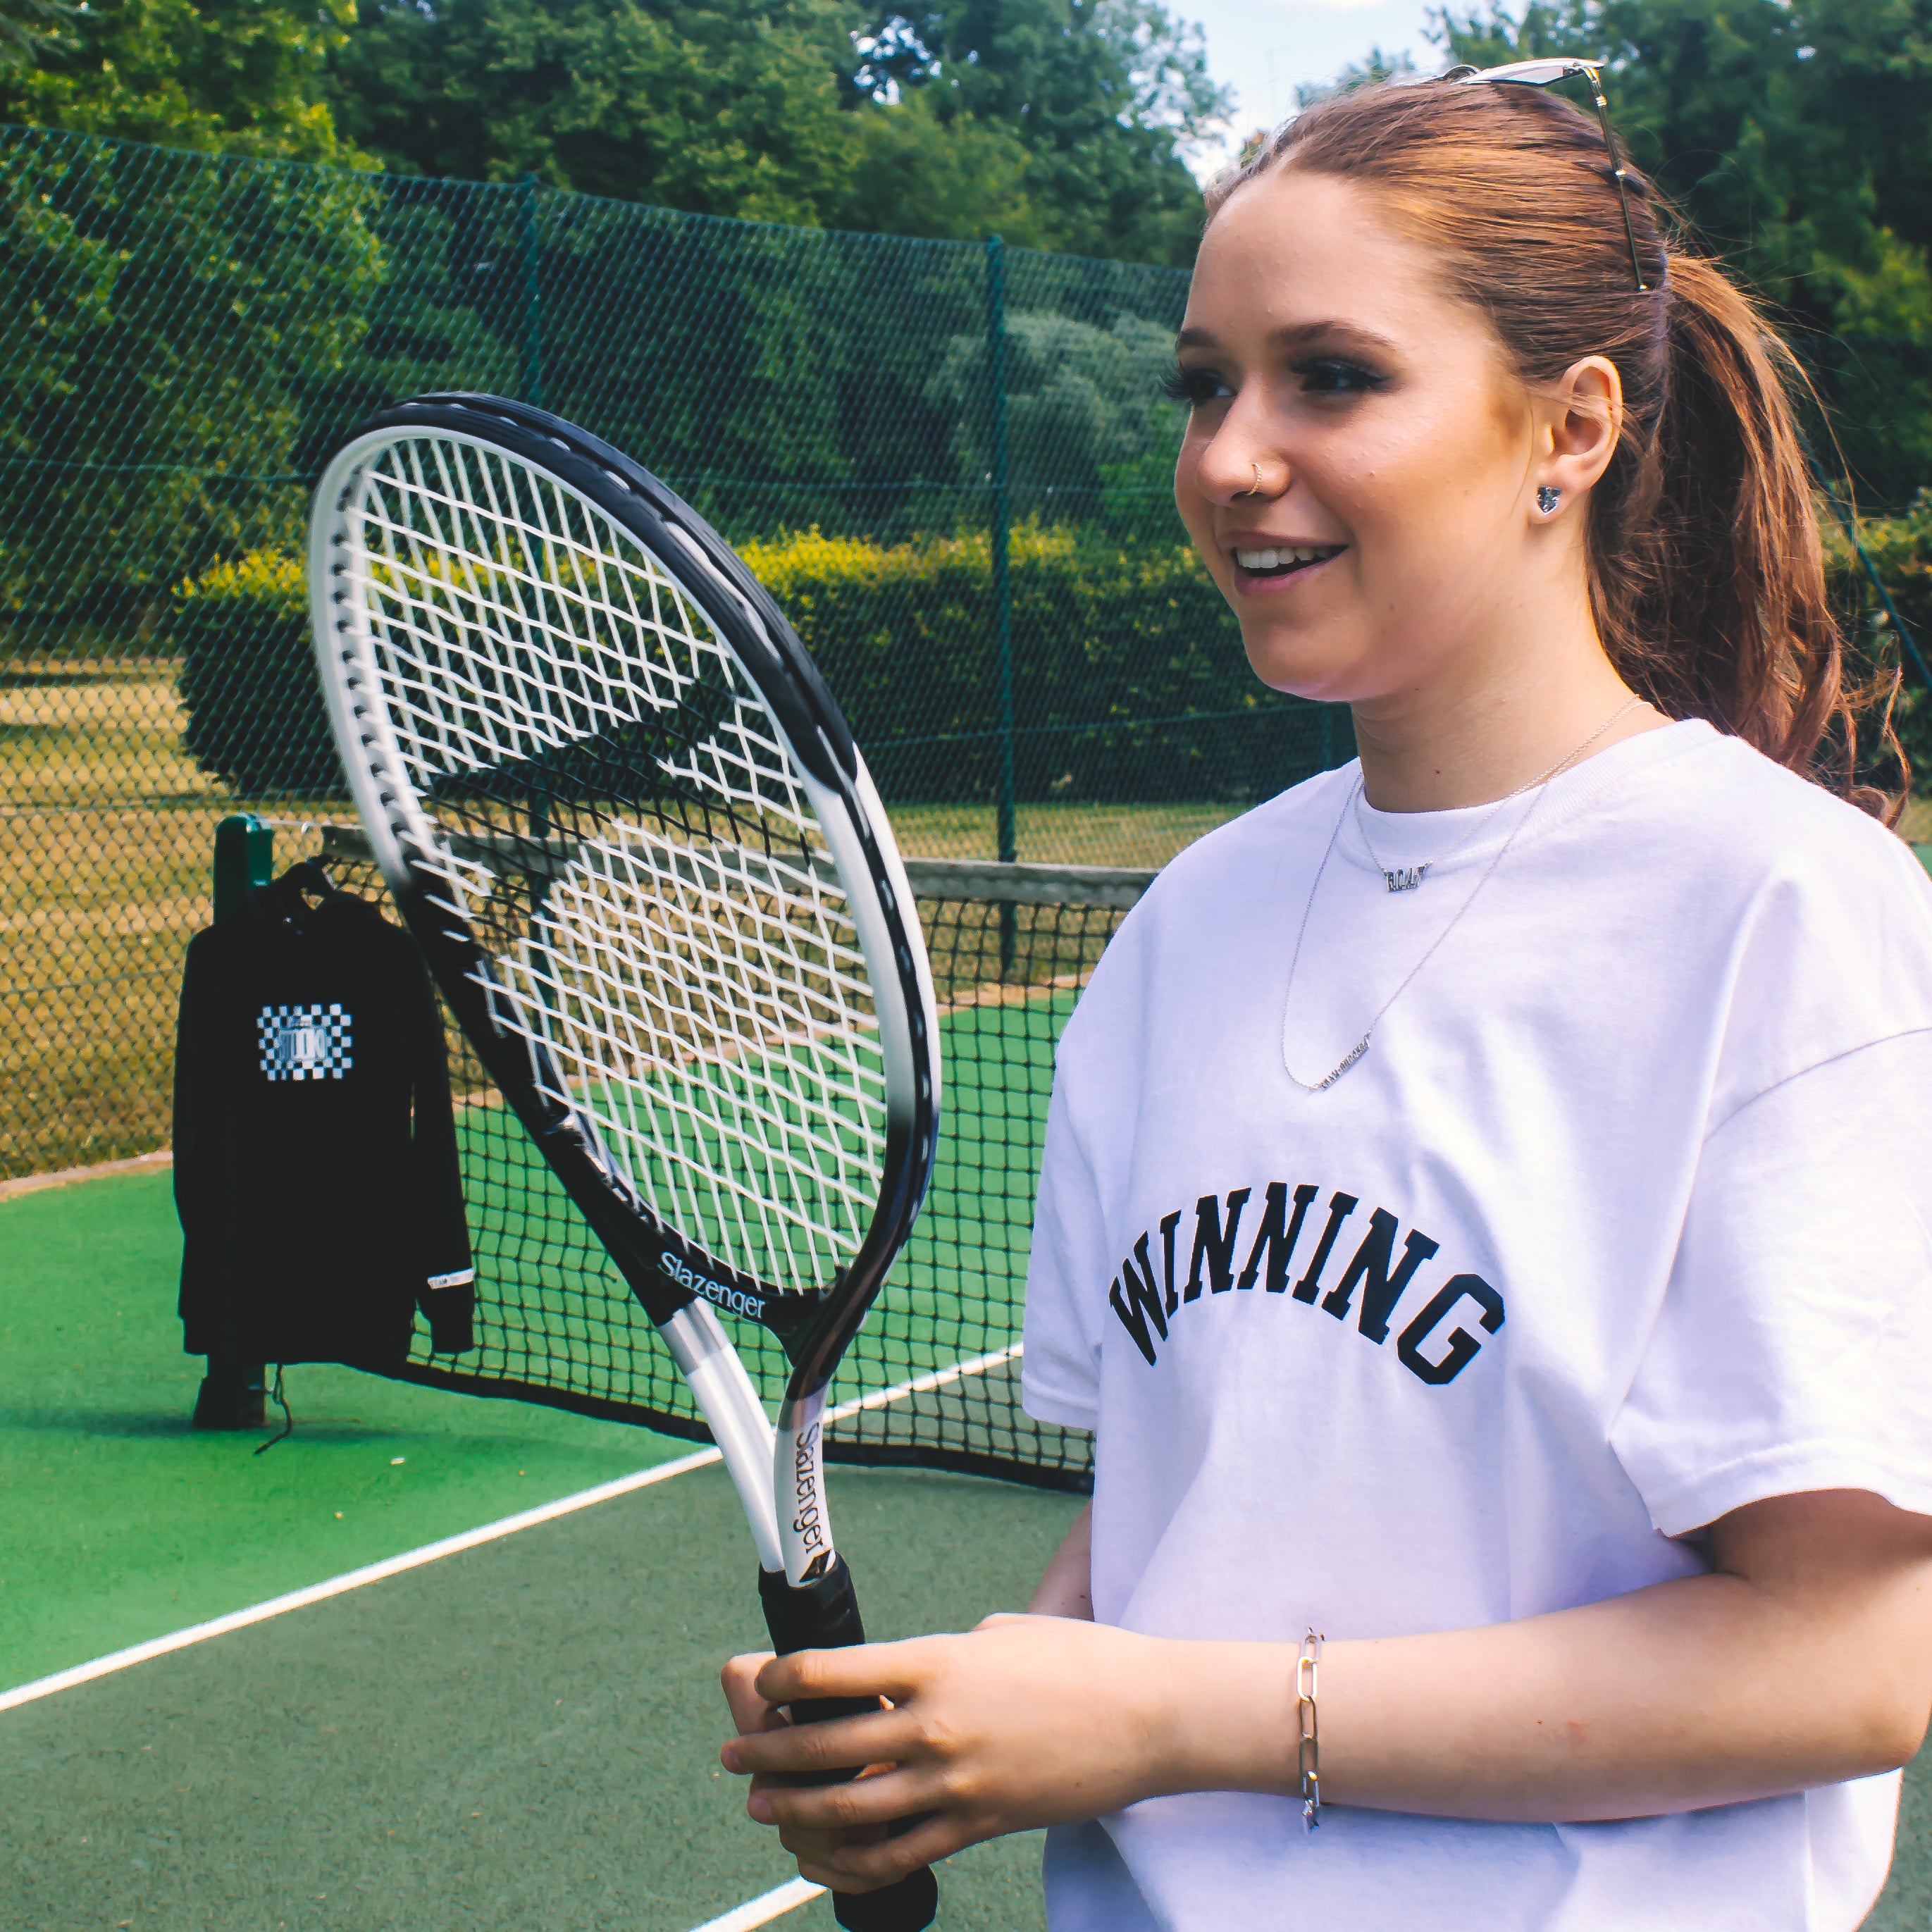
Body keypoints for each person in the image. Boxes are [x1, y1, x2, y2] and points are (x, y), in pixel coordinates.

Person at [719, 68, 1932, 1931]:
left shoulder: (1787, 913)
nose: (1230, 455)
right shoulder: (1187, 930)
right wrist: (953, 1730)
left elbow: (1846, 1666)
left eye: (1330, 378)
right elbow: (1185, 1508)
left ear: (1573, 426)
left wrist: (1171, 1719)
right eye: (1207, 383)